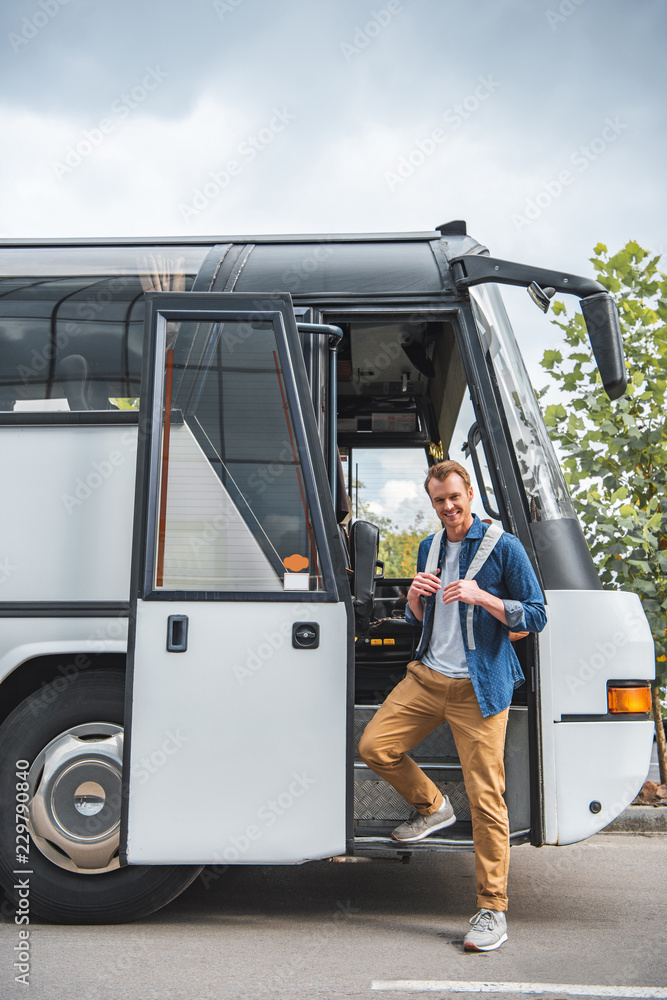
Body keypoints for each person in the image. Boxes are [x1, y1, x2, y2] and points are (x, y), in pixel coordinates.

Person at [358, 460, 546, 952]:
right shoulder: (431, 546)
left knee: (487, 800)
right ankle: (434, 807)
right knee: (375, 746)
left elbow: (538, 613)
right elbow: (421, 619)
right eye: (438, 500)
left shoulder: (503, 547)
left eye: (454, 498)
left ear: (470, 495)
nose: (447, 508)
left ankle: (492, 910)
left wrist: (484, 598)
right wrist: (416, 599)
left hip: (480, 688)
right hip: (427, 676)